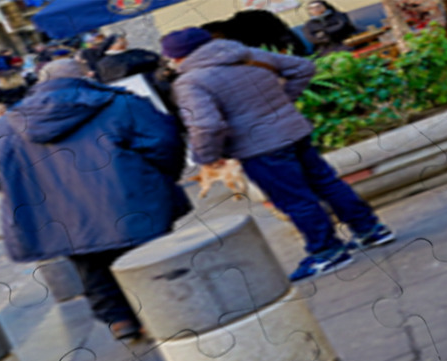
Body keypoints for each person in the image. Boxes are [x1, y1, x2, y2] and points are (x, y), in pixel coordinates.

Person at [0, 58, 189, 341]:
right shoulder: (121, 103)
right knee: (148, 254)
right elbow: (164, 143)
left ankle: (120, 319)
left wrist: (26, 191)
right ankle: (165, 309)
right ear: (87, 76)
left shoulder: (5, 124)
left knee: (90, 263)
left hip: (58, 211)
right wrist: (159, 179)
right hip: (128, 196)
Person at [162, 27, 392, 282]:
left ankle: (328, 251)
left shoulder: (191, 82)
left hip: (259, 146)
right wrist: (283, 102)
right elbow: (303, 68)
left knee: (295, 199)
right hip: (294, 131)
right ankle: (371, 230)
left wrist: (206, 156)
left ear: (179, 57)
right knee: (327, 182)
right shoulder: (245, 53)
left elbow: (207, 125)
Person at [93, 33, 161, 83]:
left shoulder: (135, 51)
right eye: (121, 40)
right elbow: (128, 69)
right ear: (112, 46)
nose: (125, 41)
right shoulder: (105, 63)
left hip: (157, 80)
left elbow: (155, 56)